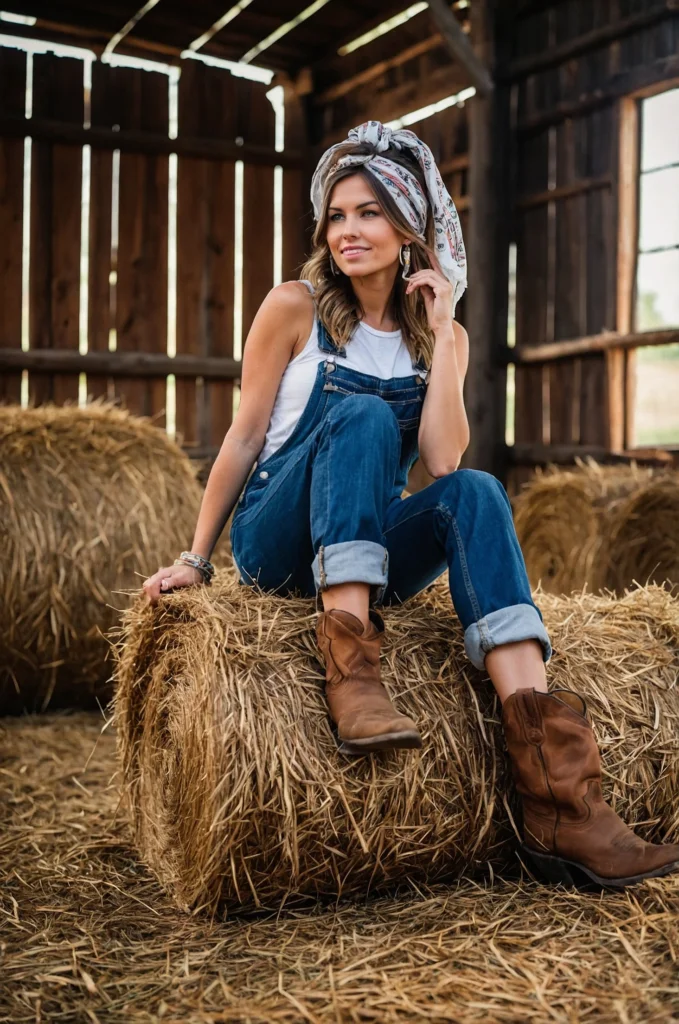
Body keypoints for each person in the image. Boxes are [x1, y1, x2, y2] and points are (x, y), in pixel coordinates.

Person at [143, 121, 679, 889]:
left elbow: (439, 461)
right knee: (358, 412)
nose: (348, 231)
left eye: (368, 213)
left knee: (478, 492)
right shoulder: (292, 307)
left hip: (363, 546)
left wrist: (441, 338)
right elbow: (242, 437)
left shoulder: (442, 333)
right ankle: (352, 671)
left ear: (408, 230)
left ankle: (562, 798)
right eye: (335, 215)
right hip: (279, 540)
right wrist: (198, 559)